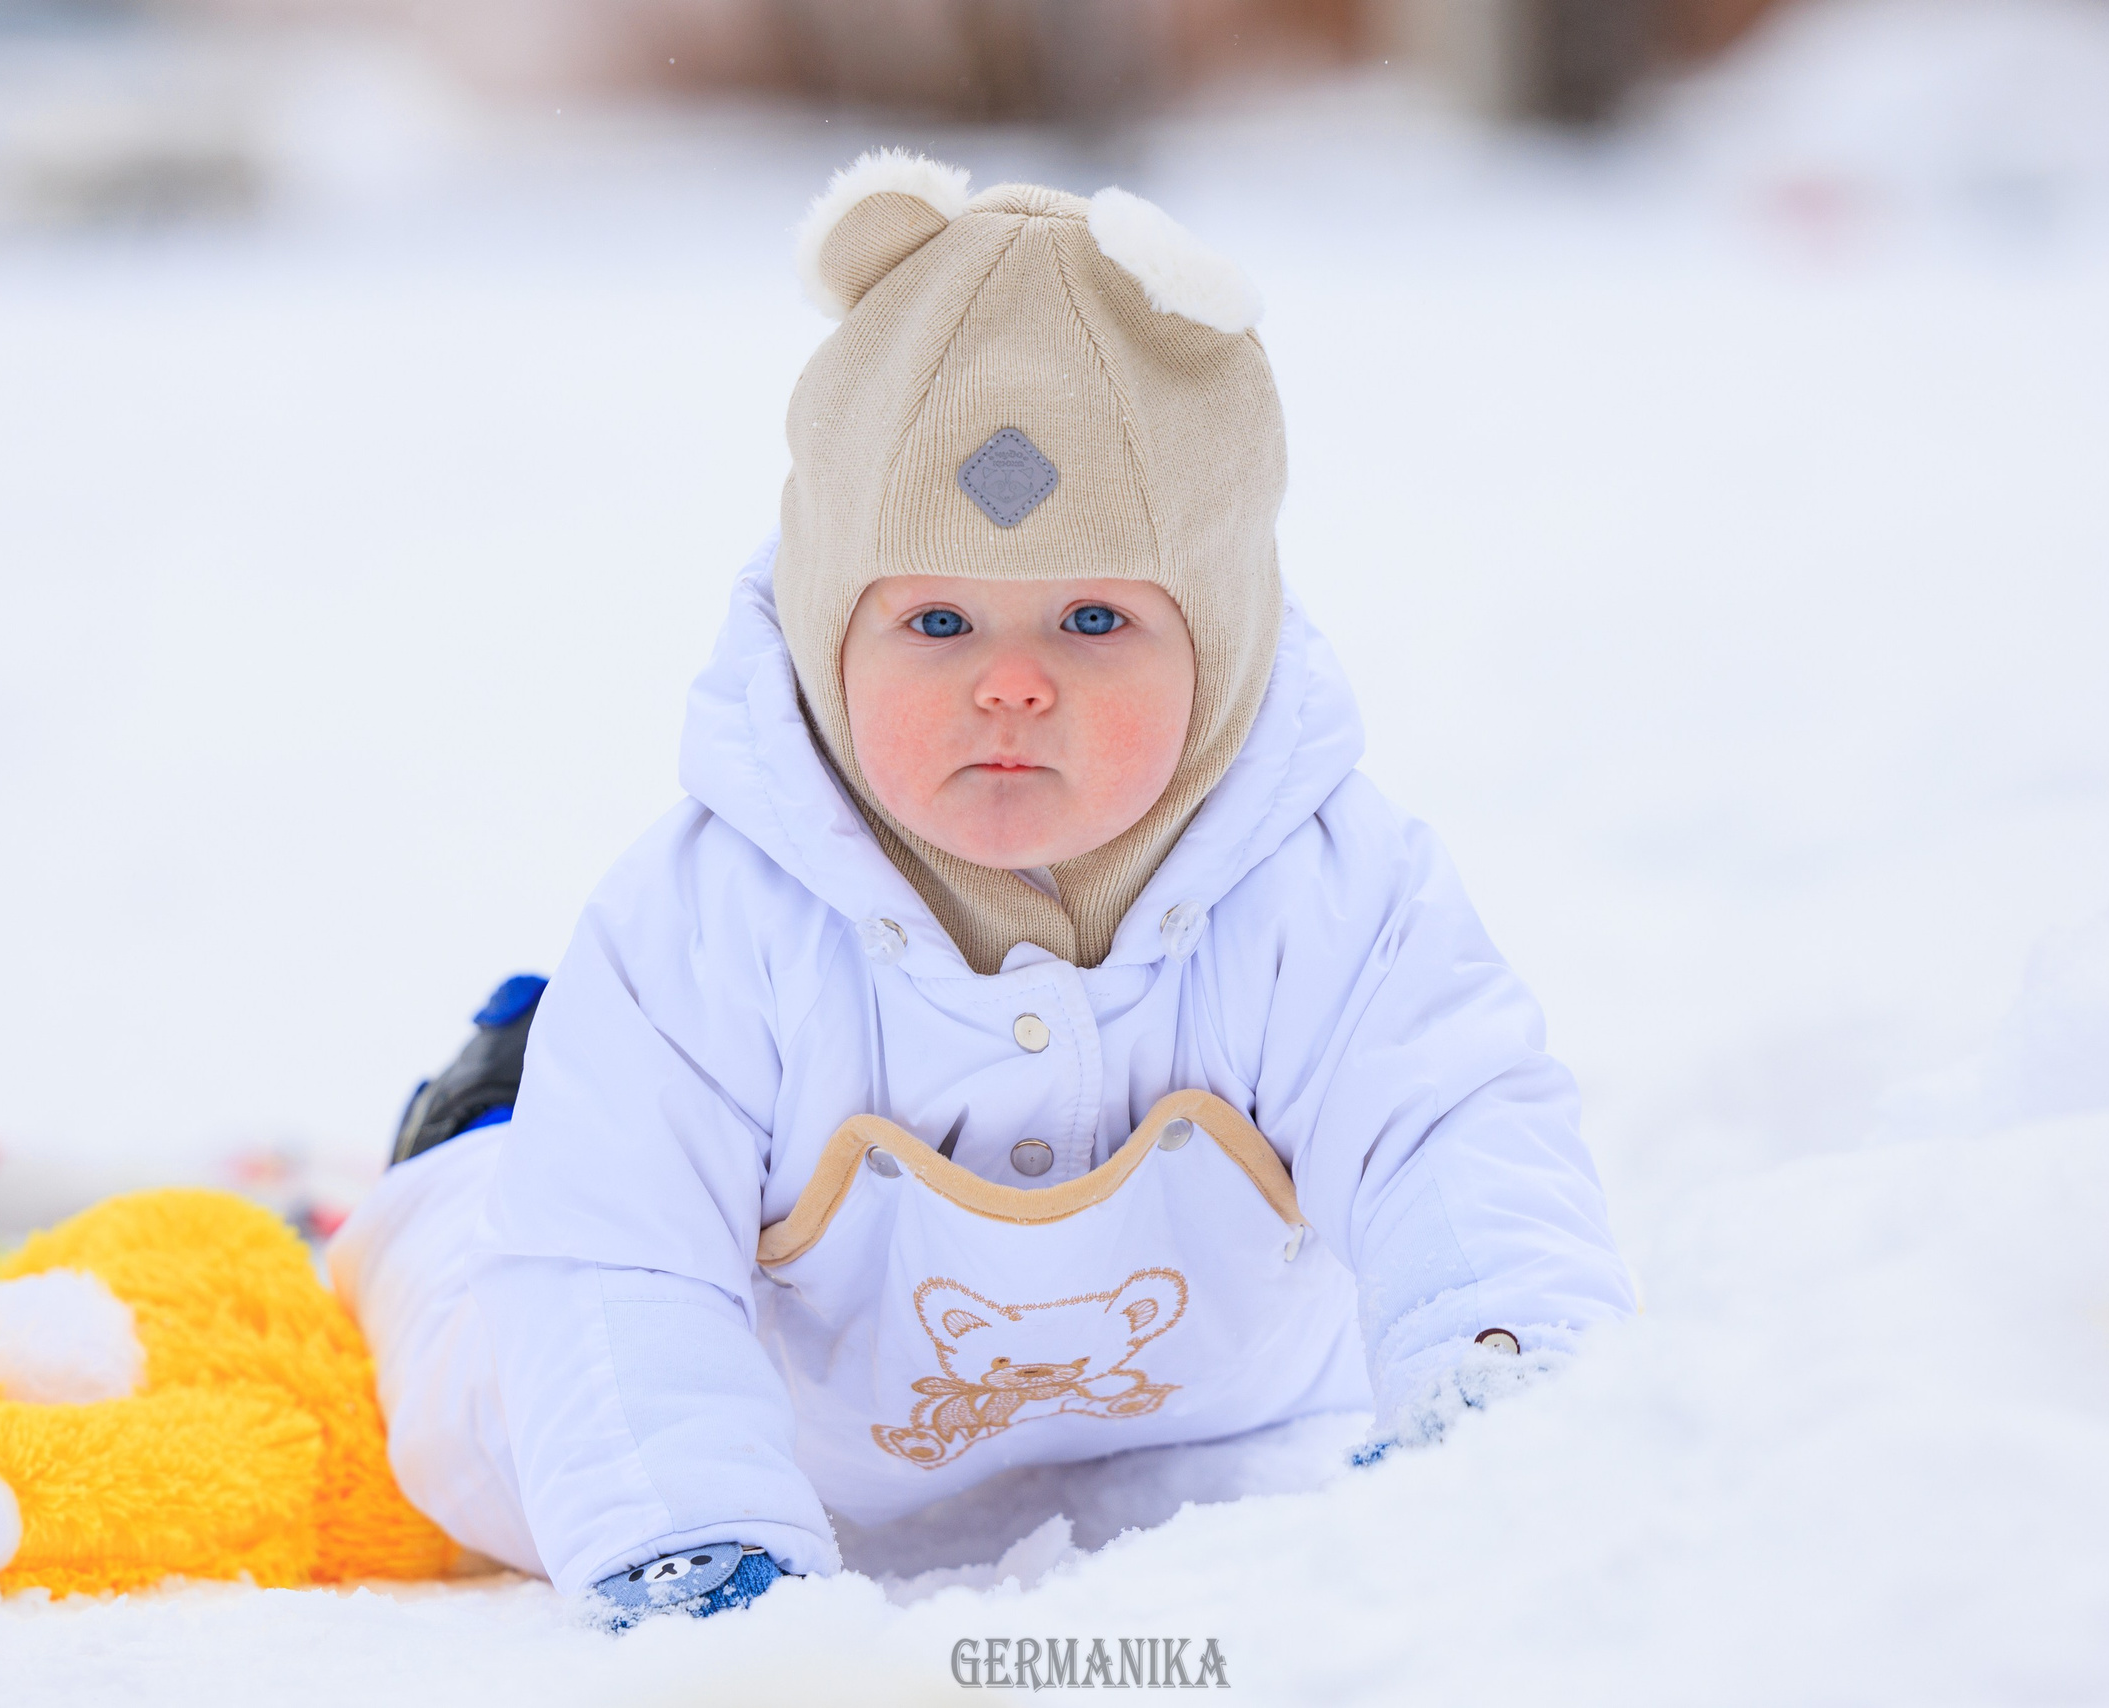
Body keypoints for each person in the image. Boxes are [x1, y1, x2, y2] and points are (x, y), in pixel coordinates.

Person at [327, 150, 1633, 1624]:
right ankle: (476, 1132)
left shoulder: (1332, 890)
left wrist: (1504, 1362)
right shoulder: (706, 923)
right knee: (473, 1361)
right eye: (938, 618)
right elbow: (606, 1256)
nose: (1011, 685)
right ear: (831, 632)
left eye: (1093, 617)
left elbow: (1448, 1119)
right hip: (771, 1428)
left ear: (1224, 640)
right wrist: (691, 1549)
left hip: (1192, 1399)